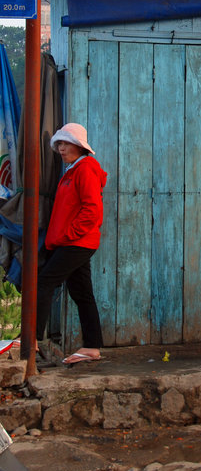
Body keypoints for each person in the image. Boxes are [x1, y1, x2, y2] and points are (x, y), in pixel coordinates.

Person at [36, 122, 107, 365]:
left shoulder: (85, 169)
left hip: (77, 242)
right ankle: (92, 347)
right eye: (59, 144)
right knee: (82, 293)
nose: (60, 149)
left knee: (44, 281)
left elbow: (92, 211)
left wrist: (68, 235)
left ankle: (31, 339)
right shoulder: (73, 170)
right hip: (75, 242)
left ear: (78, 146)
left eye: (64, 143)